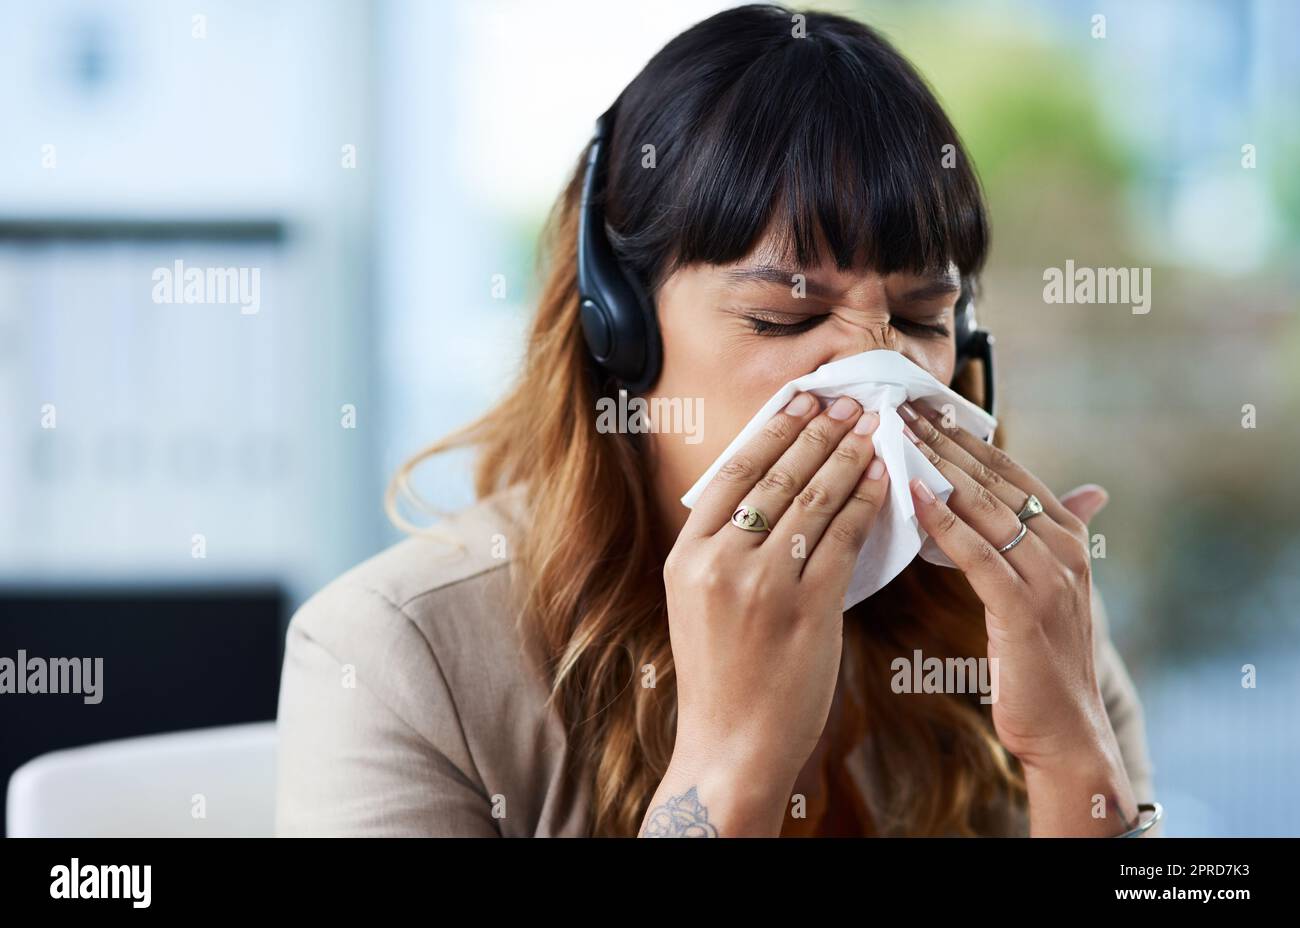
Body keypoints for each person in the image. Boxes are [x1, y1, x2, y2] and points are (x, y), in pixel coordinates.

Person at [275, 3, 1156, 837]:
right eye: (784, 318)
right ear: (616, 330)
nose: (875, 375)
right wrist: (729, 768)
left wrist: (1072, 756)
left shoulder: (1014, 611)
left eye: (923, 319)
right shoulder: (398, 657)